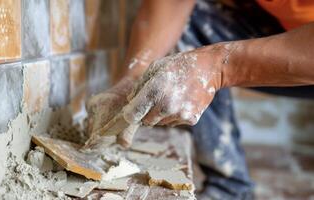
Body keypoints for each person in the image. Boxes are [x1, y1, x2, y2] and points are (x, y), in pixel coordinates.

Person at [86, 0, 314, 199]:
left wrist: (217, 67)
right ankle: (231, 187)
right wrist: (133, 78)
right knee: (189, 22)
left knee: (201, 63)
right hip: (291, 28)